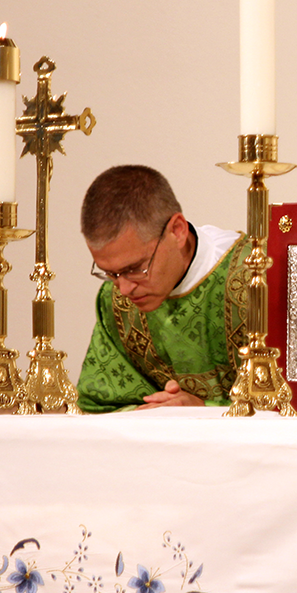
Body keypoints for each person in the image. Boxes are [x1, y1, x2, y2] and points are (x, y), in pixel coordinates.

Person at [76, 165, 248, 411]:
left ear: (177, 230)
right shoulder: (117, 302)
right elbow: (98, 407)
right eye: (111, 273)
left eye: (135, 268)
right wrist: (149, 415)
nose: (124, 289)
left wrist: (205, 411)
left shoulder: (255, 277)